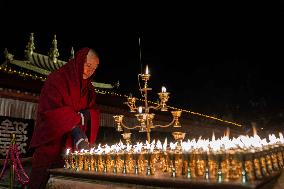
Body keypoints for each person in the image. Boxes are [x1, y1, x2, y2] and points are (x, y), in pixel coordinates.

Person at [29, 47, 100, 189]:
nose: (90, 71)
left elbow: (94, 110)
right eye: (88, 65)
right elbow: (51, 111)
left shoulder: (89, 88)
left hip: (73, 149)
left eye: (94, 68)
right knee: (41, 183)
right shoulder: (57, 79)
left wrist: (87, 114)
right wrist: (76, 128)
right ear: (79, 62)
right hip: (52, 145)